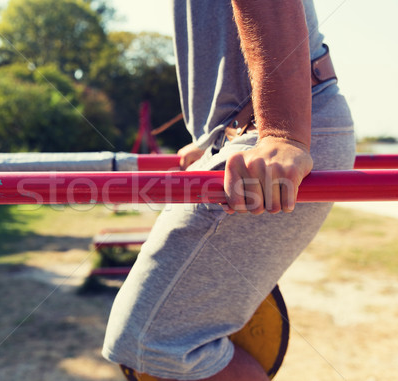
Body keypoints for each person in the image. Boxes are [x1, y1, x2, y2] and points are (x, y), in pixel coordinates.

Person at [103, 0, 355, 380]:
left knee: (150, 342)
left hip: (271, 136)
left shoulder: (277, 135)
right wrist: (213, 136)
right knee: (150, 341)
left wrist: (282, 132)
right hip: (239, 134)